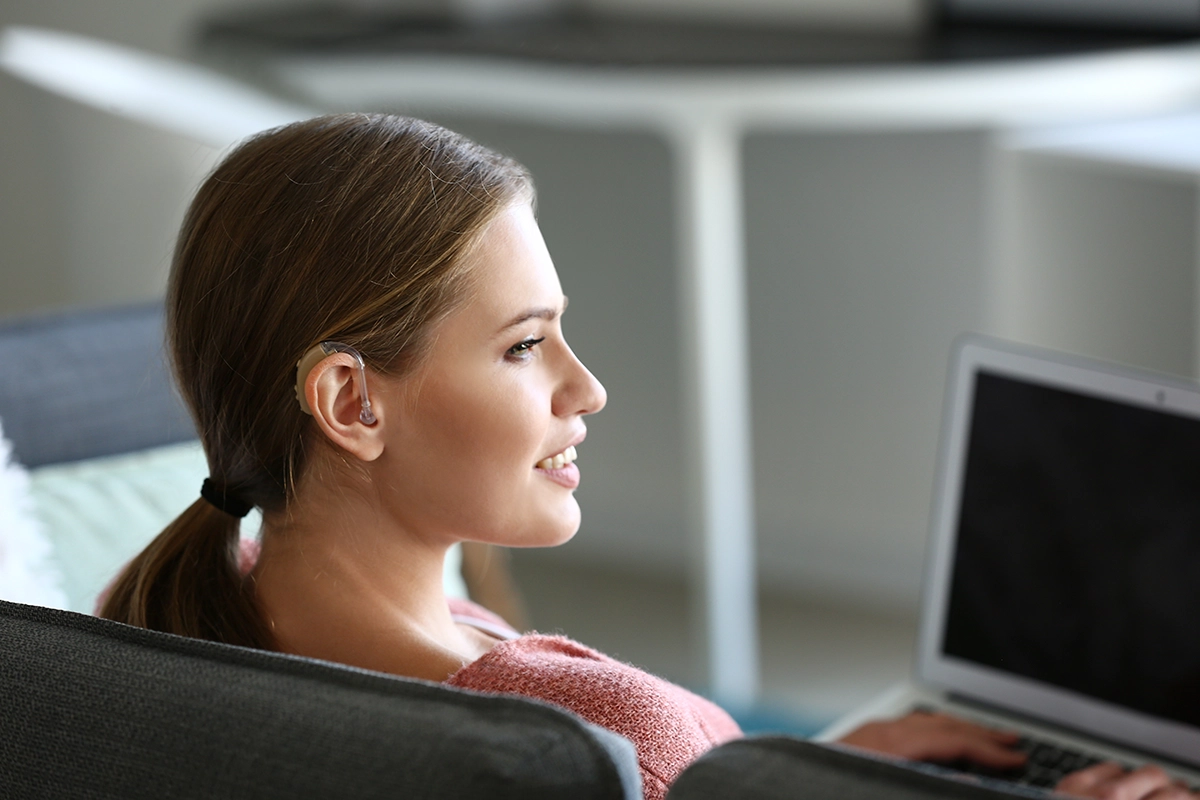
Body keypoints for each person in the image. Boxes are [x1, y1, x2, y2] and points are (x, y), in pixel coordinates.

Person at [99, 113, 1195, 800]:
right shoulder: (606, 733)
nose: (588, 387)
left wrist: (814, 767)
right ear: (350, 400)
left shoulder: (169, 626)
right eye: (524, 344)